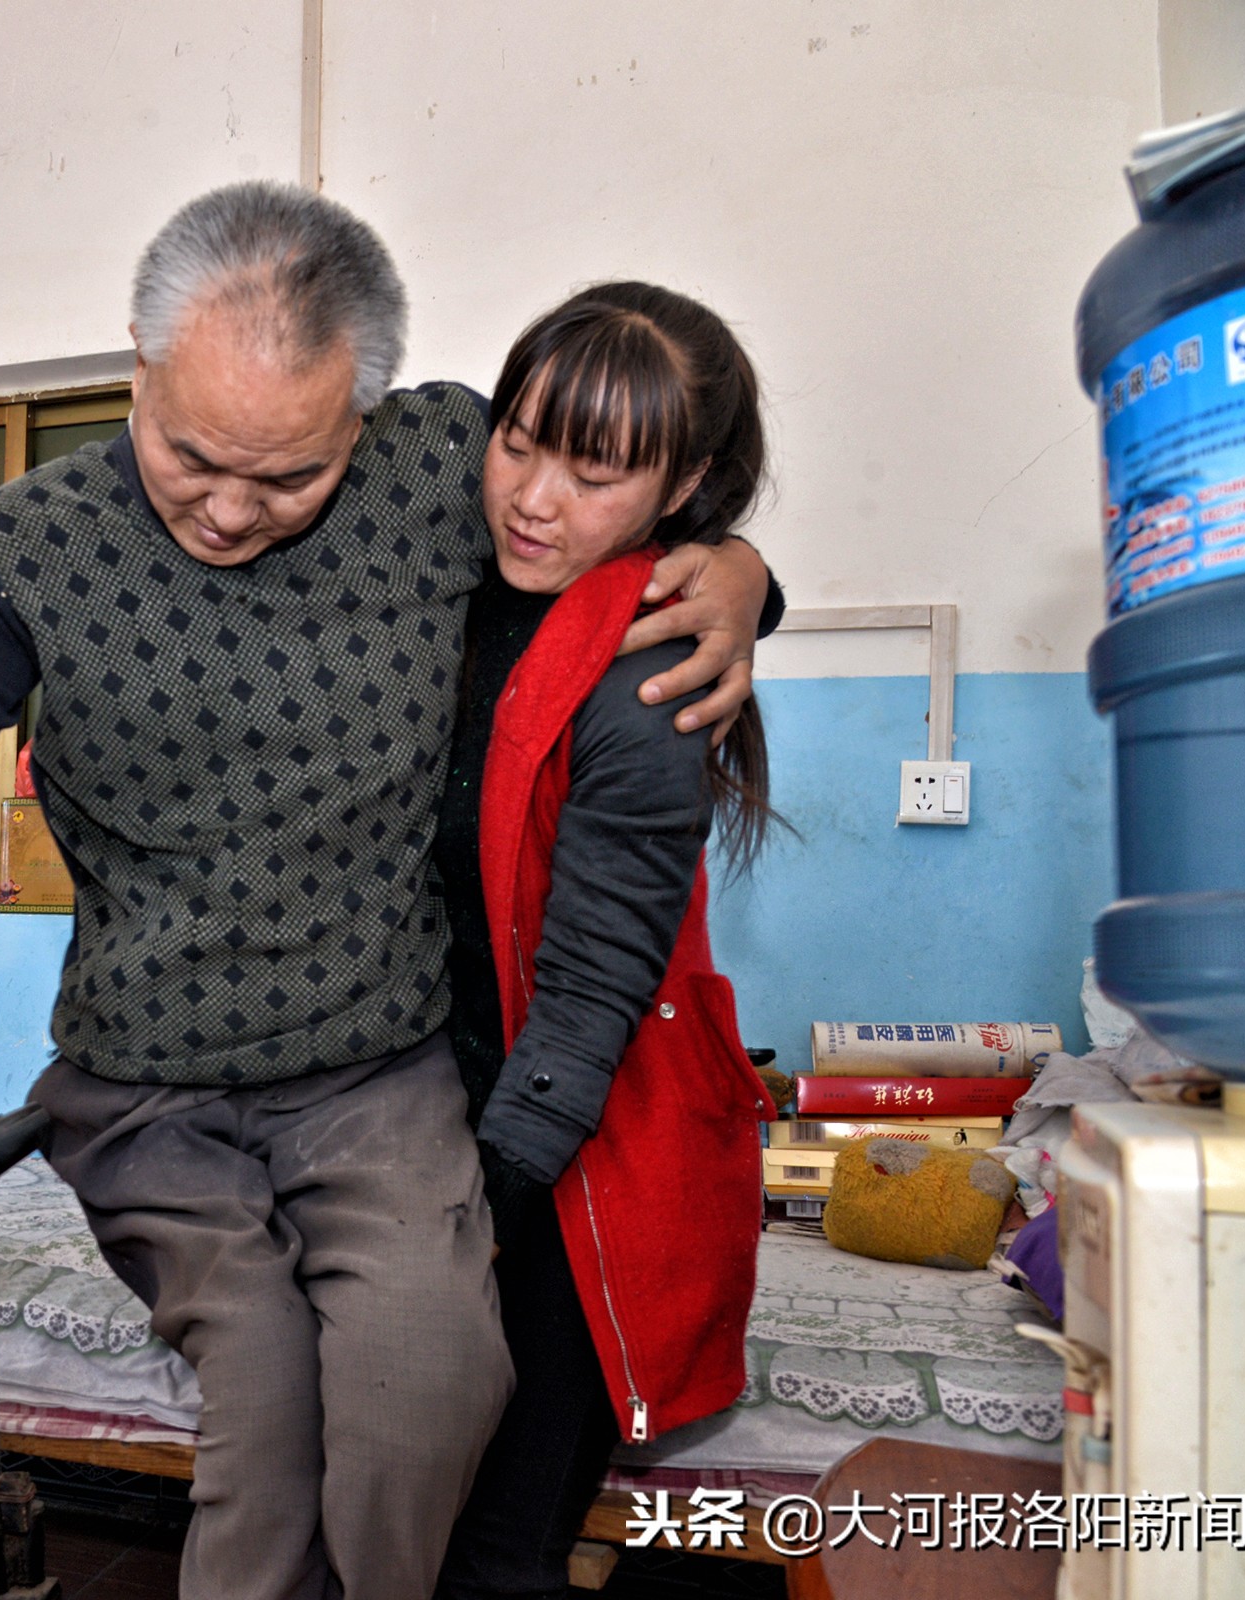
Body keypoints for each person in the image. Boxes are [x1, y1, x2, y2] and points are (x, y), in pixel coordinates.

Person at [0, 185, 775, 1600]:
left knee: (425, 1382)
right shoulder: (38, 552)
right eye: (192, 454)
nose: (232, 509)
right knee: (267, 1403)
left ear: (364, 420)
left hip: (377, 1080)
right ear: (137, 362)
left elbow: (619, 527)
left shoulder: (445, 467)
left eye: (291, 476)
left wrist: (740, 574)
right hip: (151, 1099)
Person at [430, 282, 779, 1600]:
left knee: (493, 1553)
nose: (533, 496)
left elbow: (583, 1013)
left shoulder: (649, 669)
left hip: (574, 1172)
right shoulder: (456, 588)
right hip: (453, 1126)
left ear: (683, 485)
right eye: (520, 442)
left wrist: (471, 1218)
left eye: (595, 473)